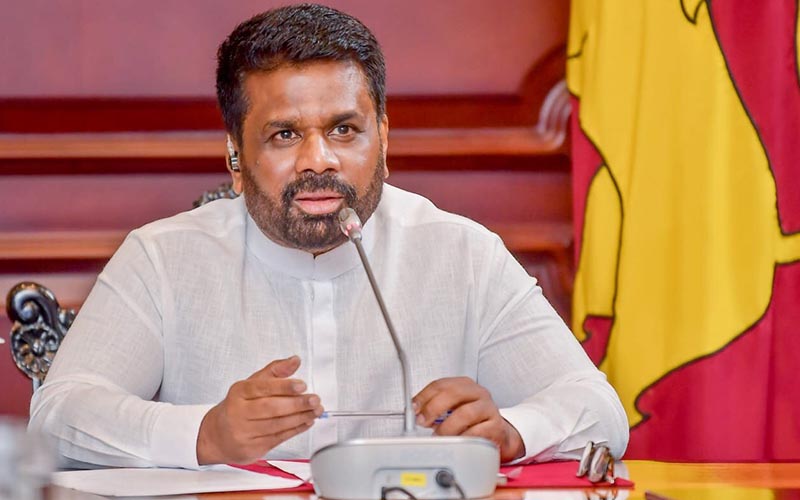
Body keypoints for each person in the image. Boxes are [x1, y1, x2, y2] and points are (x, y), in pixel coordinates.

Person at [29, 3, 628, 469]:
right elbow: (57, 419)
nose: (319, 160)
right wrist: (205, 434)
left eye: (344, 129)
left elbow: (598, 408)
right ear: (235, 157)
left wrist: (512, 432)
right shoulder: (162, 258)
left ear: (383, 140)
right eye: (285, 135)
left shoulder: (462, 254)